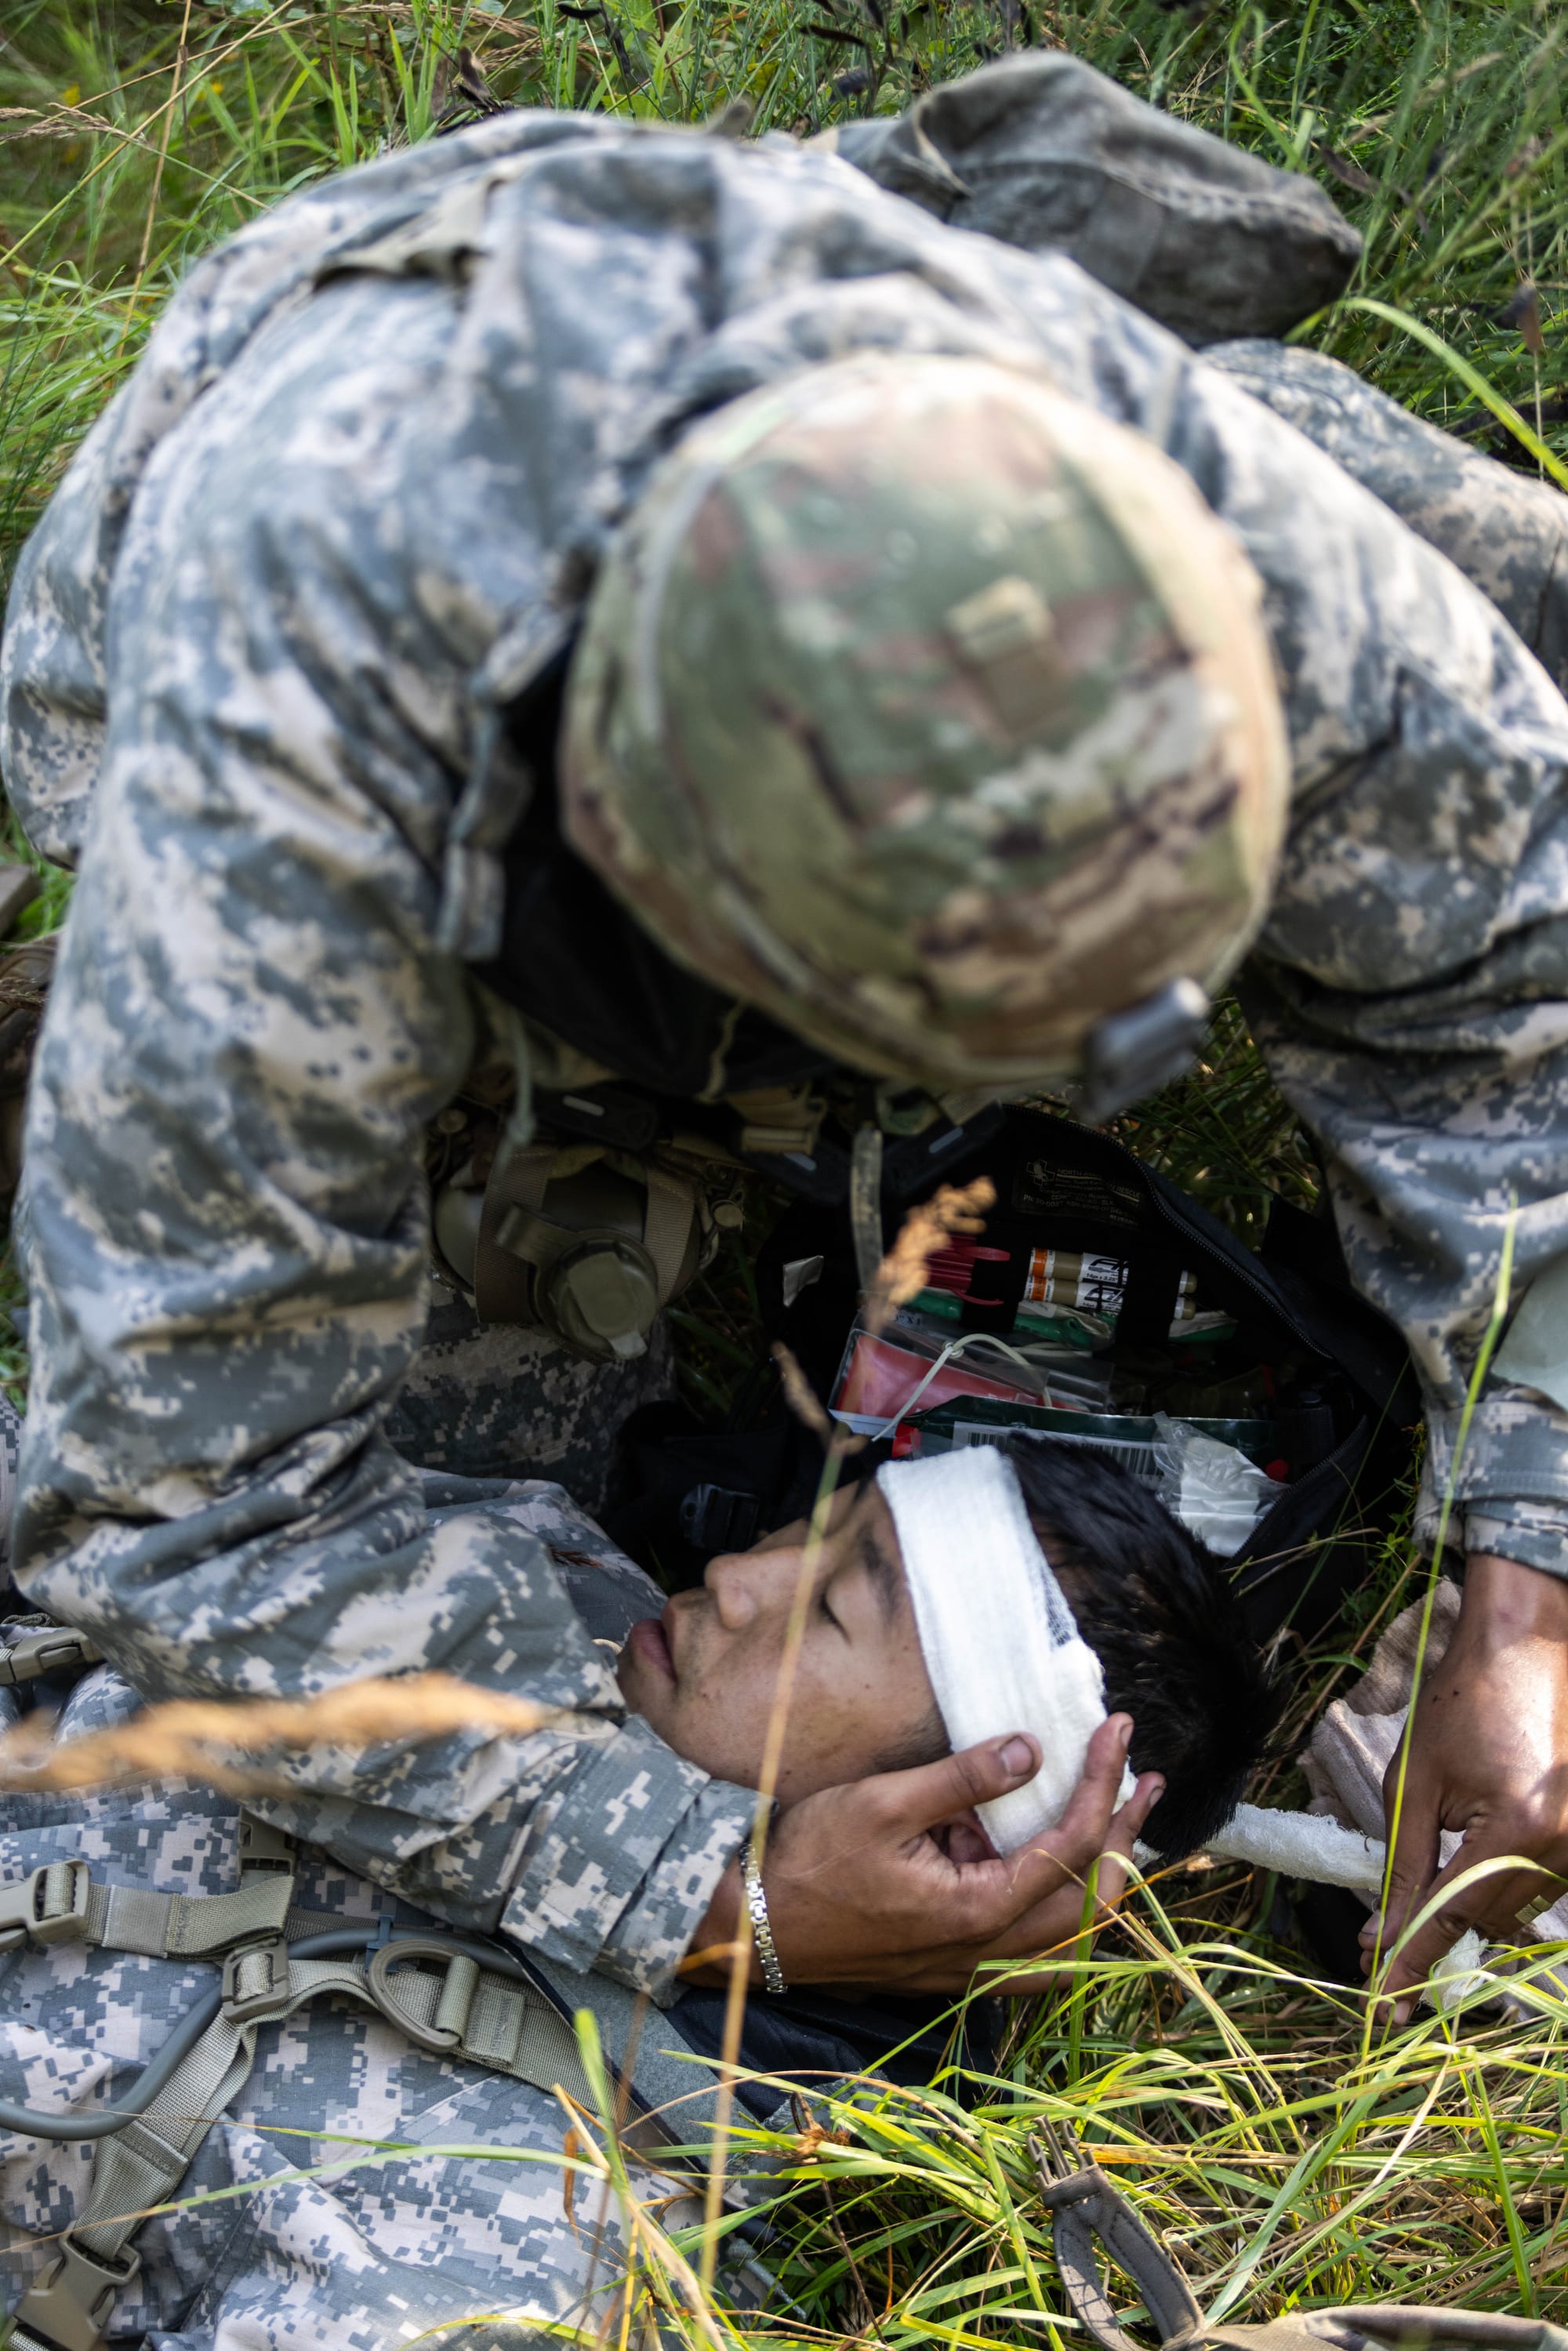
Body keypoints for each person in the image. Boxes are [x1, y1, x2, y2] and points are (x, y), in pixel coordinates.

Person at [2, 48, 1566, 2047]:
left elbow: (1521, 944)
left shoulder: (1223, 543)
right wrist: (711, 1890)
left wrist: (1524, 1579)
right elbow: (174, 1509)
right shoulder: (282, 794)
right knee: (468, 1480)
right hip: (359, 620)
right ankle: (121, 1117)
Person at [0, 1442, 1269, 2349]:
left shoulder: (540, 2246)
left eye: (827, 1607)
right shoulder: (575, 1596)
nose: (738, 1573)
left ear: (944, 1842)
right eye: (814, 1521)